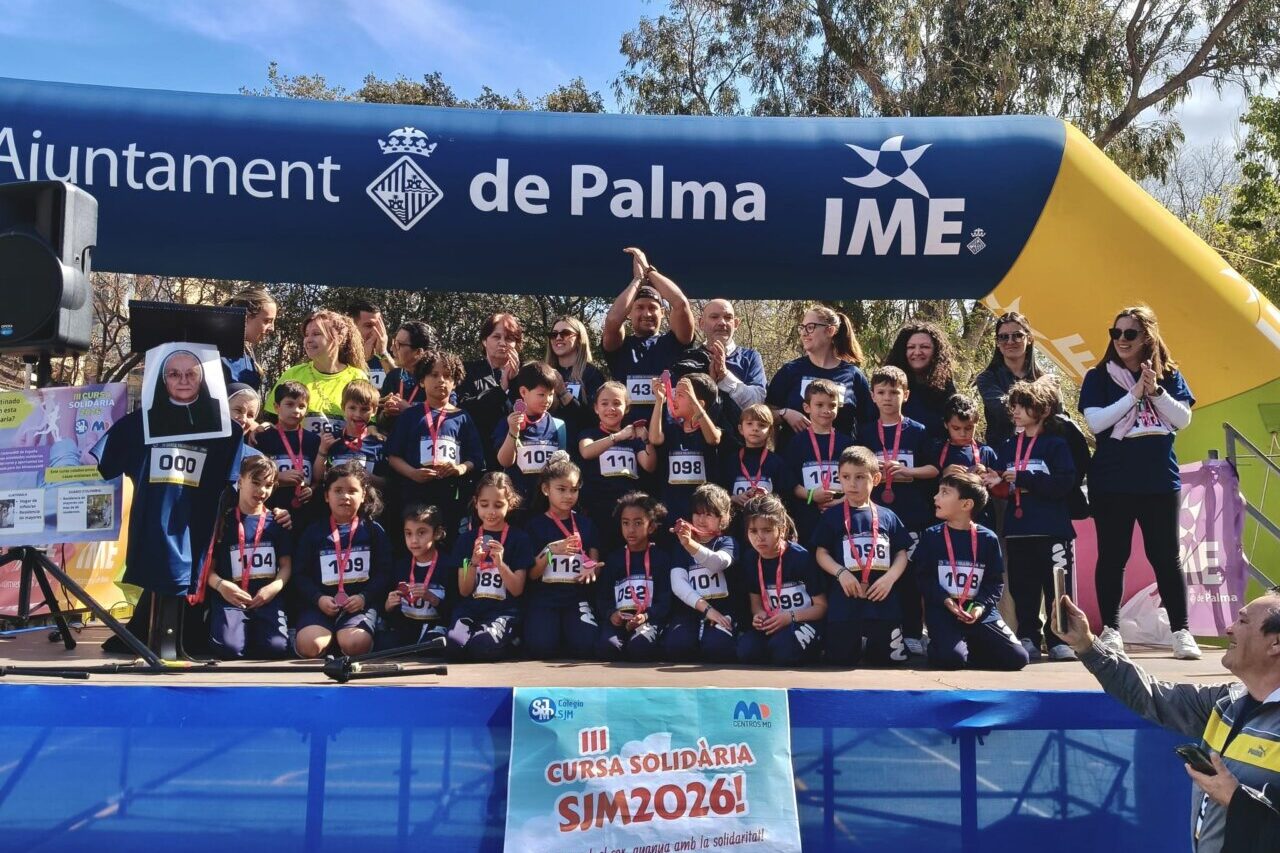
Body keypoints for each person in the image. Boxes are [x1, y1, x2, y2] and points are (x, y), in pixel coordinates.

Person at [1058, 589, 1280, 853]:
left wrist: (1237, 800)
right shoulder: (1224, 701)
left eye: (1243, 621)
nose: (1229, 629)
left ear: (1275, 643)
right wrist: (1086, 644)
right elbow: (1150, 696)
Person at [1079, 305, 1200, 660]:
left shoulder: (1170, 374)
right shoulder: (1098, 376)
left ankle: (1181, 632)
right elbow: (1096, 423)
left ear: (1147, 336)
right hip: (1112, 482)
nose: (1121, 340)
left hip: (1159, 481)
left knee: (1165, 557)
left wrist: (1156, 392)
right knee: (1113, 556)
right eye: (1115, 333)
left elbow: (1183, 419)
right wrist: (1133, 395)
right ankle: (1112, 630)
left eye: (1129, 334)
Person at [983, 377, 1077, 661]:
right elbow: (1001, 486)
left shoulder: (1055, 445)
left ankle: (1060, 638)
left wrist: (1025, 479)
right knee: (1024, 588)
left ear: (1043, 410)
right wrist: (990, 480)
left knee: (1057, 587)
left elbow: (1064, 484)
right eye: (1013, 407)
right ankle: (1028, 636)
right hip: (1018, 531)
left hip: (1052, 531)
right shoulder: (1009, 445)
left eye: (1023, 406)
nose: (1016, 412)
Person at [857, 365, 939, 655]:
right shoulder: (865, 431)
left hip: (911, 512)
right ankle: (874, 630)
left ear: (906, 394)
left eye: (894, 392)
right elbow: (855, 468)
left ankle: (914, 632)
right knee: (876, 571)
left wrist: (909, 471)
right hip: (876, 516)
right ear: (873, 396)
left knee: (912, 575)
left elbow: (934, 469)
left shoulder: (918, 430)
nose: (888, 398)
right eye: (882, 392)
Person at [913, 472, 1027, 671]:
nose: (936, 497)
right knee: (950, 660)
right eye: (938, 491)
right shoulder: (932, 536)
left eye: (945, 493)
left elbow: (995, 582)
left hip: (979, 611)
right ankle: (948, 647)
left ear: (966, 505)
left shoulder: (988, 538)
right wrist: (945, 601)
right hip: (944, 611)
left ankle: (968, 646)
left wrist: (980, 606)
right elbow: (923, 577)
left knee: (1018, 658)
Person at [813, 446, 914, 665]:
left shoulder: (888, 516)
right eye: (846, 477)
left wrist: (890, 578)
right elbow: (821, 553)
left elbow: (901, 553)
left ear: (876, 478)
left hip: (883, 603)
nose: (852, 484)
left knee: (888, 662)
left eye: (860, 477)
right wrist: (841, 573)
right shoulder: (832, 516)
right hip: (845, 602)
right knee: (840, 661)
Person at [293, 461, 393, 658]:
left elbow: (385, 572)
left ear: (363, 495)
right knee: (309, 646)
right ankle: (327, 641)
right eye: (337, 490)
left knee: (356, 644)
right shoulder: (313, 532)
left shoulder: (374, 531)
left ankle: (354, 637)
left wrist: (364, 597)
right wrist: (318, 598)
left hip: (358, 605)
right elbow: (300, 574)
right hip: (321, 605)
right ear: (326, 496)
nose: (345, 496)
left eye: (352, 491)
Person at [385, 349, 484, 548]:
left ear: (455, 382)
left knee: (448, 546)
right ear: (422, 380)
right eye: (434, 375)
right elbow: (392, 455)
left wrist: (460, 469)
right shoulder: (410, 416)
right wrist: (412, 473)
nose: (441, 381)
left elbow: (476, 457)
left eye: (448, 376)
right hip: (414, 496)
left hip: (450, 497)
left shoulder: (462, 418)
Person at [206, 456, 293, 660]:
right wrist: (221, 586)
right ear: (240, 480)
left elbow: (286, 565)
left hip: (266, 599)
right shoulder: (223, 520)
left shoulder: (277, 521)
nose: (262, 491)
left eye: (268, 485)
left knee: (276, 649)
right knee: (229, 649)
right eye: (255, 482)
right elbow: (208, 569)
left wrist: (273, 588)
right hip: (231, 598)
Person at [602, 247, 696, 424]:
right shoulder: (621, 346)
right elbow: (613, 320)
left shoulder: (675, 342)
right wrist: (637, 280)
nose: (646, 313)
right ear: (629, 313)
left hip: (669, 432)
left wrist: (648, 271)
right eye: (640, 307)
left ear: (662, 312)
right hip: (629, 435)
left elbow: (681, 303)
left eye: (652, 308)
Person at [446, 472, 531, 662]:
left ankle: (512, 641)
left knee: (481, 646)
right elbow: (464, 590)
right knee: (454, 646)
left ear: (511, 504)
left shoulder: (519, 538)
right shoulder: (466, 539)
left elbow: (517, 590)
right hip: (471, 608)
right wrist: (474, 562)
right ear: (475, 503)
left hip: (503, 610)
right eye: (484, 505)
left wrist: (500, 564)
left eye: (498, 505)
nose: (491, 511)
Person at [523, 455, 601, 660]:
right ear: (546, 489)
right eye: (562, 489)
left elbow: (594, 561)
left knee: (587, 646)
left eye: (574, 490)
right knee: (540, 648)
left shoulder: (585, 524)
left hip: (576, 597)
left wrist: (591, 569)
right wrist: (550, 551)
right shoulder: (534, 526)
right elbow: (531, 574)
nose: (568, 495)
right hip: (544, 598)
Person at [736, 493, 827, 666]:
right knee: (746, 650)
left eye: (767, 530)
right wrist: (759, 615)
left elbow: (822, 607)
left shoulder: (801, 558)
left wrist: (790, 617)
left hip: (803, 621)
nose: (759, 538)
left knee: (783, 651)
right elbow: (756, 603)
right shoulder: (750, 559)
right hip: (773, 623)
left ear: (782, 529)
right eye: (753, 531)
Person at [767, 304, 874, 447]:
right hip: (794, 462)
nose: (804, 333)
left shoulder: (853, 375)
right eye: (802, 327)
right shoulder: (790, 371)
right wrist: (784, 413)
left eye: (810, 327)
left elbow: (868, 424)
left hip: (841, 463)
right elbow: (765, 413)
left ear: (830, 330)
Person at [662, 484, 741, 663]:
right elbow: (678, 585)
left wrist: (689, 544)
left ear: (722, 518)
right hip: (692, 611)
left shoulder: (728, 542)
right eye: (697, 513)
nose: (701, 519)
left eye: (708, 514)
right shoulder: (681, 546)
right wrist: (707, 610)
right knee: (676, 647)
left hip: (724, 610)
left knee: (717, 649)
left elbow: (717, 563)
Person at [577, 381, 656, 556]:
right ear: (596, 408)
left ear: (626, 408)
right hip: (598, 511)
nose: (610, 408)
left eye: (617, 403)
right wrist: (618, 436)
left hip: (627, 515)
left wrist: (646, 440)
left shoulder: (634, 439)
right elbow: (587, 452)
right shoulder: (589, 434)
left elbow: (649, 465)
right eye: (604, 404)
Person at [265, 309, 368, 437]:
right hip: (300, 454)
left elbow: (368, 421)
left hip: (342, 454)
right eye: (306, 335)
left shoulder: (357, 377)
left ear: (338, 339)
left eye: (316, 334)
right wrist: (264, 426)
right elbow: (271, 419)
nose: (308, 340)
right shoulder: (293, 374)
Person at [596, 491, 672, 662]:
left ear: (651, 526)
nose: (631, 529)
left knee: (640, 648)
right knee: (607, 648)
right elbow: (602, 597)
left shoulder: (661, 559)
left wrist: (646, 616)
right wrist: (611, 614)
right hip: (619, 621)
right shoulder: (614, 559)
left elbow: (665, 600)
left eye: (638, 523)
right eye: (625, 523)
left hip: (648, 620)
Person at [782, 379, 853, 544]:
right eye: (819, 405)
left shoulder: (847, 443)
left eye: (832, 405)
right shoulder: (796, 443)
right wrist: (812, 496)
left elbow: (857, 478)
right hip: (807, 516)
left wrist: (839, 502)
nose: (826, 410)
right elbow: (789, 483)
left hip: (841, 515)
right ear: (807, 407)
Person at [648, 372, 722, 524]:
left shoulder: (711, 430)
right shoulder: (671, 430)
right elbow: (654, 438)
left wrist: (694, 402)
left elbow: (714, 439)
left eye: (681, 395)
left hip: (702, 514)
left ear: (698, 403)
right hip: (672, 513)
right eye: (674, 393)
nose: (674, 399)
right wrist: (659, 401)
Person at [495, 361, 568, 507]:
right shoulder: (509, 422)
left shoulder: (559, 425)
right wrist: (513, 431)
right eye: (541, 394)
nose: (547, 400)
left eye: (551, 394)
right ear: (523, 392)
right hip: (517, 504)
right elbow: (504, 462)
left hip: (548, 506)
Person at [459, 312, 525, 471]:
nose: (503, 343)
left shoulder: (525, 376)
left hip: (516, 460)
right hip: (477, 458)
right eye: (496, 337)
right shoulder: (467, 371)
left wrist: (514, 382)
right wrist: (501, 389)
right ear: (484, 340)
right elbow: (464, 407)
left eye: (509, 339)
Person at [382, 503, 453, 649]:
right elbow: (390, 615)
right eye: (408, 533)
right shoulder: (401, 566)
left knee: (435, 646)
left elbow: (455, 609)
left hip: (436, 627)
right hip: (407, 628)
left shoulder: (447, 566)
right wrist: (388, 605)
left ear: (437, 533)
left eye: (421, 533)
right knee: (382, 642)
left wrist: (433, 599)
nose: (414, 540)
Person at [254, 381, 321, 529]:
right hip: (273, 510)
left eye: (301, 406)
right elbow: (253, 474)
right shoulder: (263, 438)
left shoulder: (314, 440)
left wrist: (312, 489)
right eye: (290, 404)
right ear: (277, 407)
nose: (296, 410)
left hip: (305, 513)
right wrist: (278, 477)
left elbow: (318, 479)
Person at [975, 311, 1042, 448]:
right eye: (1003, 337)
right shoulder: (987, 378)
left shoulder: (1043, 378)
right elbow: (1004, 410)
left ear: (1029, 339)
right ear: (997, 343)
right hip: (1002, 457)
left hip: (1042, 453)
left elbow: (1058, 418)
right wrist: (1042, 407)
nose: (1010, 342)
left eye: (1018, 336)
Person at [931, 393, 999, 528]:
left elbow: (999, 488)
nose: (962, 433)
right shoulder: (936, 450)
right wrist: (942, 475)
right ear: (946, 424)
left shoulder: (985, 451)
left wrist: (986, 477)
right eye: (956, 428)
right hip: (943, 523)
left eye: (968, 428)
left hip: (981, 521)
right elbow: (925, 487)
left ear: (976, 423)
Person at [699, 299, 767, 431]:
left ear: (736, 324)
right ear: (701, 323)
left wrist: (725, 376)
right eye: (714, 317)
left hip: (740, 443)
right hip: (700, 442)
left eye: (728, 317)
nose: (722, 322)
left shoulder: (750, 357)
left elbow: (758, 403)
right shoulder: (690, 358)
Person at [885, 321, 958, 439]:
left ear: (936, 351)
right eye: (911, 347)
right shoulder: (888, 385)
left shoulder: (946, 386)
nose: (917, 352)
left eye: (925, 347)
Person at [544, 316, 606, 445]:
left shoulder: (592, 374)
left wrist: (563, 392)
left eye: (565, 333)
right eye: (553, 334)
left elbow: (595, 418)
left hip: (583, 446)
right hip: (549, 445)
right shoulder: (544, 373)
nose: (558, 338)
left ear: (579, 339)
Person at [317, 380, 387, 489]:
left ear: (374, 411)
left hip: (369, 503)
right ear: (343, 407)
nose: (358, 414)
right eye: (352, 408)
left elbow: (386, 483)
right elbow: (317, 478)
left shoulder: (379, 443)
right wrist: (322, 451)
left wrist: (365, 476)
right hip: (335, 503)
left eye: (365, 409)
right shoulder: (331, 440)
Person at [147, 349, 225, 439]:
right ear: (164, 379)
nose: (183, 381)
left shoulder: (220, 415)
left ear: (201, 378)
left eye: (191, 374)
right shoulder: (148, 418)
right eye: (174, 374)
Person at [720, 404, 787, 508]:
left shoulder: (776, 462)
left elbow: (785, 496)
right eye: (750, 424)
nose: (755, 428)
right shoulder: (730, 461)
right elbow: (719, 494)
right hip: (737, 521)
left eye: (761, 425)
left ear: (770, 431)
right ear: (741, 429)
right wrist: (734, 498)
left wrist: (769, 499)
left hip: (767, 521)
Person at [379, 320, 437, 432]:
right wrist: (386, 413)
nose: (392, 349)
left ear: (418, 352)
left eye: (398, 345)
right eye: (393, 343)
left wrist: (409, 410)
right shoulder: (393, 377)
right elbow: (380, 423)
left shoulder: (439, 381)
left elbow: (445, 422)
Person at [222, 286, 278, 391]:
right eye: (267, 321)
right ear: (246, 317)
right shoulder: (218, 354)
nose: (272, 328)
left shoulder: (247, 354)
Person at [347, 299, 395, 389]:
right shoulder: (339, 356)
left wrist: (383, 353)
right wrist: (362, 360)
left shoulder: (392, 354)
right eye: (369, 326)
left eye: (378, 326)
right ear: (352, 327)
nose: (375, 332)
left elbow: (400, 384)